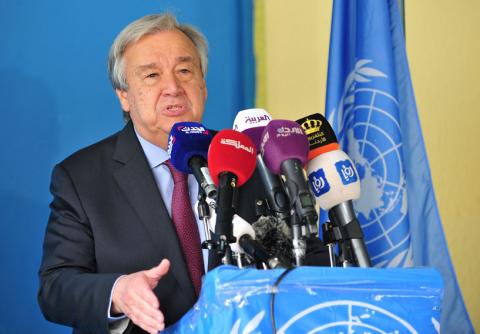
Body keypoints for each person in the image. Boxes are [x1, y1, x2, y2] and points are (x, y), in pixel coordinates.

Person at [38, 12, 330, 334]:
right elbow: (56, 288)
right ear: (124, 96)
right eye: (151, 75)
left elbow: (309, 257)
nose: (173, 87)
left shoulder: (252, 159)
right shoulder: (82, 177)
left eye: (185, 71)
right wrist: (118, 293)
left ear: (202, 86)